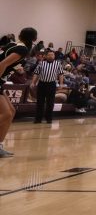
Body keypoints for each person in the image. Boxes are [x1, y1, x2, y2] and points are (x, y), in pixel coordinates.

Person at [0, 27, 37, 157]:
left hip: (0, 83)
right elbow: (2, 64)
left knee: (11, 112)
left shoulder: (13, 44)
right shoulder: (22, 49)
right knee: (6, 114)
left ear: (20, 36)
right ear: (34, 39)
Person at [31, 50, 65, 124]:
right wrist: (33, 82)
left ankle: (49, 118)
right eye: (49, 55)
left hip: (51, 84)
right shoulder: (41, 63)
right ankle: (38, 119)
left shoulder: (58, 64)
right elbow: (36, 73)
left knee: (50, 102)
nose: (50, 56)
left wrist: (61, 84)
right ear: (46, 56)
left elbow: (61, 74)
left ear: (54, 56)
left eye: (52, 55)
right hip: (42, 84)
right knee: (40, 102)